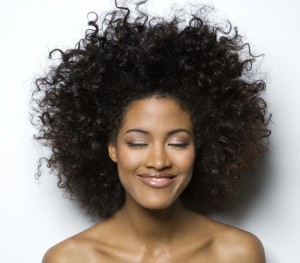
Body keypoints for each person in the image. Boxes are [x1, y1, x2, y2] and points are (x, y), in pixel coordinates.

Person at [31, 1, 270, 262]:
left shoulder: (237, 254)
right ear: (112, 147)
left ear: (201, 146)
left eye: (178, 143)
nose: (158, 162)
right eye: (137, 143)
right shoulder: (69, 259)